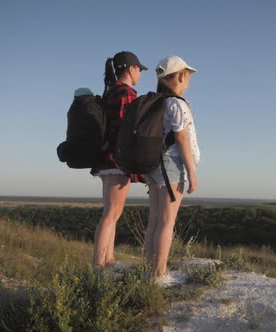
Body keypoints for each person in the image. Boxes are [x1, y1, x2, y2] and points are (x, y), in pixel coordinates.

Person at [144, 56, 200, 286]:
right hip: (172, 166)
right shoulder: (176, 103)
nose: (187, 80)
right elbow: (181, 137)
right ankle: (159, 274)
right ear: (180, 76)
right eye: (187, 75)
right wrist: (191, 173)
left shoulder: (156, 102)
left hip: (155, 165)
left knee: (155, 222)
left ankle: (151, 270)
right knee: (167, 223)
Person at [92, 51, 148, 272]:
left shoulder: (111, 92)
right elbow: (128, 129)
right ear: (131, 69)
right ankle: (98, 265)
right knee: (112, 213)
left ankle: (108, 259)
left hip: (106, 160)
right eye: (139, 70)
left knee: (112, 212)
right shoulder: (125, 93)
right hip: (116, 161)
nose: (140, 74)